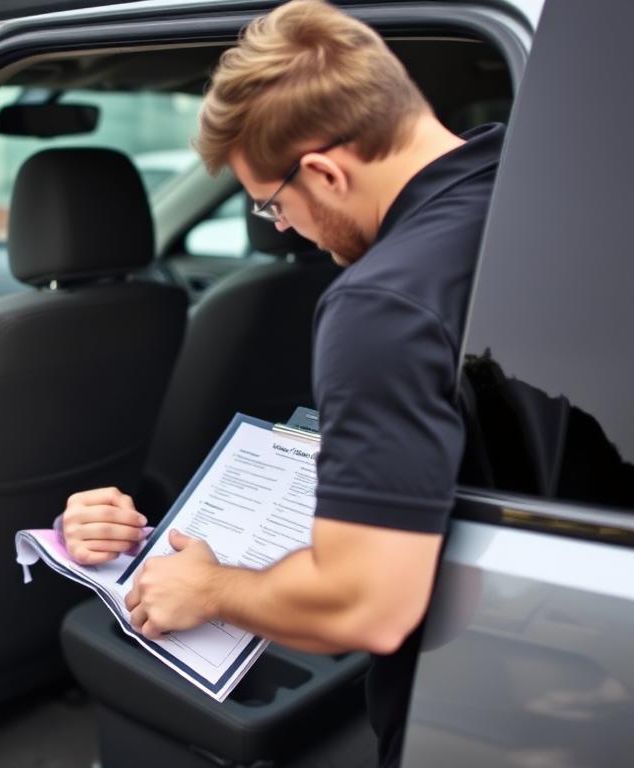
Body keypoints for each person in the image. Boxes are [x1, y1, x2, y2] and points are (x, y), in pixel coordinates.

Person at [55, 1, 505, 765]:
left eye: (272, 204)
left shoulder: (380, 305)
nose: (281, 227)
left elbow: (369, 605)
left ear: (326, 171)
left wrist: (211, 591)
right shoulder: (517, 191)